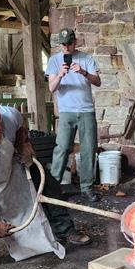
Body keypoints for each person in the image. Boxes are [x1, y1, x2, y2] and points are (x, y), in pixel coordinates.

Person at [0, 95, 91, 269]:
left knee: (48, 183)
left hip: (11, 157)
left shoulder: (9, 116)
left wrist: (23, 143)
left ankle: (65, 229)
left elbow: (20, 125)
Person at [45, 28, 101, 202]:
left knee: (88, 150)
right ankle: (54, 189)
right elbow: (51, 88)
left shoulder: (86, 58)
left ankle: (87, 188)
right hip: (66, 111)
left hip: (86, 111)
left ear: (75, 42)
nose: (66, 47)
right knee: (62, 148)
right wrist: (60, 75)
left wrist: (84, 72)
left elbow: (98, 82)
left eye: (69, 43)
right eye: (63, 44)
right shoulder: (54, 61)